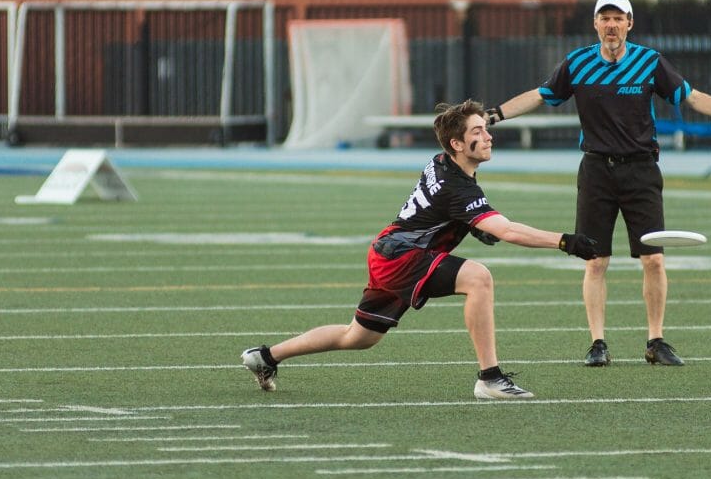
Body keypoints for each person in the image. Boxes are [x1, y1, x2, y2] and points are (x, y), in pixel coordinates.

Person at [241, 100, 600, 399]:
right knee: (478, 278)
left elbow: (445, 210)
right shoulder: (457, 185)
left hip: (389, 250)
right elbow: (504, 230)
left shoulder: (441, 161)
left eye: (486, 129)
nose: (488, 136)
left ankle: (266, 356)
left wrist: (470, 226)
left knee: (359, 337)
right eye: (477, 132)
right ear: (457, 144)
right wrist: (566, 242)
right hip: (400, 255)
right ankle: (490, 378)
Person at [486, 0, 711, 368]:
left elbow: (691, 97)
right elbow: (540, 95)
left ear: (629, 24)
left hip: (641, 171)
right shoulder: (578, 63)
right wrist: (495, 115)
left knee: (654, 261)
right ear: (595, 24)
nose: (612, 25)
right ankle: (597, 343)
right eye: (605, 18)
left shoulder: (650, 62)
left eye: (619, 18)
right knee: (595, 260)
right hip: (597, 170)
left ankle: (656, 341)